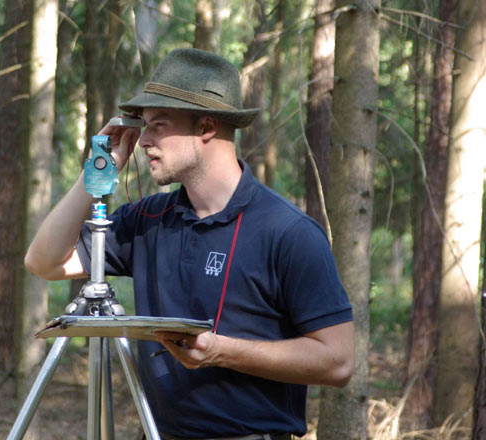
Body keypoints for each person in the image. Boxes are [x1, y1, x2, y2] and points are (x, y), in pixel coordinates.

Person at [25, 48, 354, 440]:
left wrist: (221, 351)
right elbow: (44, 262)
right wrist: (96, 174)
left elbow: (337, 362)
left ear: (206, 128)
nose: (143, 140)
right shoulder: (147, 220)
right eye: (143, 125)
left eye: (158, 125)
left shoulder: (288, 232)